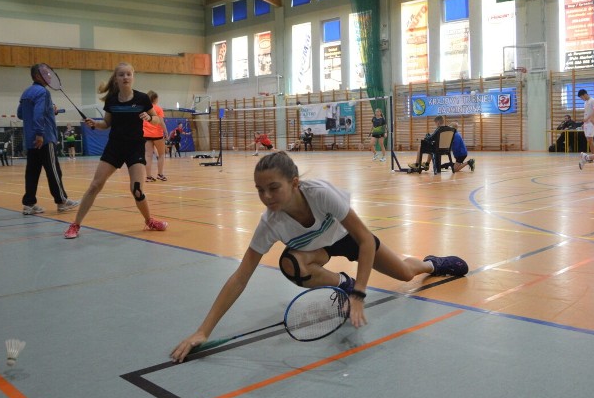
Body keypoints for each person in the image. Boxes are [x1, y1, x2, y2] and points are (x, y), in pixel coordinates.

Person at [170, 152, 468, 362]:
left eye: (274, 188)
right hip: (317, 250)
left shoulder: (321, 194)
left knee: (404, 273)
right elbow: (240, 277)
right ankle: (343, 284)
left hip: (347, 237)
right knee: (292, 264)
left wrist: (362, 294)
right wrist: (202, 331)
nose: (267, 197)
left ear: (295, 182)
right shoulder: (270, 223)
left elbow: (364, 239)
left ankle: (432, 263)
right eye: (260, 190)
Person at [63, 63, 168, 239]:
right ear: (116, 79)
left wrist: (149, 117)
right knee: (95, 185)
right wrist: (95, 124)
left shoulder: (142, 98)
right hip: (115, 147)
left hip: (135, 147)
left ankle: (149, 220)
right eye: (121, 75)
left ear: (133, 77)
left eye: (128, 74)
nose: (125, 77)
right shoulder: (111, 100)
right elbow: (106, 124)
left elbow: (157, 119)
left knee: (137, 190)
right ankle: (75, 224)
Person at [17, 64, 80, 215]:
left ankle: (29, 204)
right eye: (45, 73)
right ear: (37, 76)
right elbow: (38, 114)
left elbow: (21, 114)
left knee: (32, 172)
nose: (49, 76)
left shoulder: (26, 92)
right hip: (44, 138)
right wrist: (40, 133)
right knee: (54, 170)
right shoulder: (43, 92)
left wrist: (49, 108)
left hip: (31, 140)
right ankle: (62, 201)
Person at [143, 91, 168, 181]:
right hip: (157, 134)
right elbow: (161, 122)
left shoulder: (144, 109)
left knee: (148, 156)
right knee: (161, 155)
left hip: (146, 135)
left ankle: (148, 176)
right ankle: (160, 174)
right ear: (155, 99)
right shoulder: (158, 109)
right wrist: (166, 133)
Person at [578, 89, 594, 156]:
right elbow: (586, 112)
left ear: (584, 94)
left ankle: (593, 156)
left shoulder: (593, 101)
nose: (581, 99)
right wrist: (584, 122)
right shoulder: (585, 102)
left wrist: (587, 119)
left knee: (590, 139)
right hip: (586, 123)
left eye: (581, 97)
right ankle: (592, 155)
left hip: (591, 122)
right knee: (588, 140)